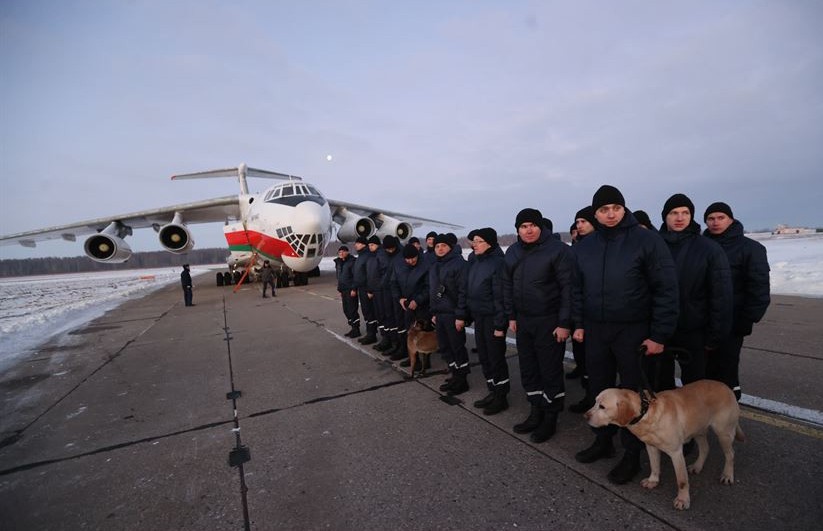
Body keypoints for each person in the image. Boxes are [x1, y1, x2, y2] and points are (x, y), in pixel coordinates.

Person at [571, 185, 679, 484]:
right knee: (600, 387)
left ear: (623, 209)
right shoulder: (585, 247)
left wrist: (658, 334)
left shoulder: (646, 241)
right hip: (596, 329)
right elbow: (576, 291)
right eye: (603, 210)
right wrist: (579, 323)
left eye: (615, 208)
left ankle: (632, 454)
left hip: (633, 330)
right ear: (595, 213)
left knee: (632, 395)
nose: (610, 214)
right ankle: (602, 441)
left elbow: (665, 289)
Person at [503, 208, 574, 443]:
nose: (528, 230)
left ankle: (550, 416)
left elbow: (568, 289)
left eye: (532, 225)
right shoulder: (512, 251)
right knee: (529, 368)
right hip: (523, 321)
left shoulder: (558, 250)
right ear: (518, 230)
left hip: (549, 321)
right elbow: (507, 287)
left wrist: (564, 323)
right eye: (523, 226)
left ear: (540, 227)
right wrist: (511, 316)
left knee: (550, 369)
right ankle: (536, 410)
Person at [656, 194, 733, 391]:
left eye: (685, 213)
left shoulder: (709, 249)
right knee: (661, 387)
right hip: (659, 330)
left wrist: (715, 335)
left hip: (694, 332)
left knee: (695, 390)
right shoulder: (653, 246)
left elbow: (721, 296)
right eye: (674, 213)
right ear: (665, 216)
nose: (679, 218)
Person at [703, 202, 771, 400]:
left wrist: (748, 318)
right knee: (705, 369)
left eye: (720, 218)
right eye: (711, 218)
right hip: (705, 318)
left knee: (727, 368)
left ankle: (729, 413)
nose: (715, 222)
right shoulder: (701, 245)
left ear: (731, 219)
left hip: (733, 320)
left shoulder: (751, 248)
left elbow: (759, 288)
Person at [466, 227, 510, 415]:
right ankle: (492, 391)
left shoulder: (498, 263)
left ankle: (501, 397)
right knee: (484, 357)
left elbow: (501, 297)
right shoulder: (477, 262)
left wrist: (500, 326)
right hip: (480, 318)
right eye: (473, 241)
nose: (474, 244)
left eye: (478, 241)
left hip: (493, 319)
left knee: (496, 358)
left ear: (490, 243)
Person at [430, 233, 470, 395]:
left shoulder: (459, 265)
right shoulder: (435, 266)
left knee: (457, 347)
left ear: (450, 248)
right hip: (439, 314)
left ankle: (462, 380)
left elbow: (463, 292)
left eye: (443, 246)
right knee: (445, 348)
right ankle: (454, 375)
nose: (440, 249)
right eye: (437, 246)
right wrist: (433, 311)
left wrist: (461, 316)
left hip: (453, 314)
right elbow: (433, 291)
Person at [567, 206, 596, 412]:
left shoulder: (600, 246)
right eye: (577, 222)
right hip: (583, 313)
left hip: (603, 316)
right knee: (588, 359)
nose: (579, 226)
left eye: (583, 222)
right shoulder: (577, 249)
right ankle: (590, 396)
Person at [391, 243, 432, 370]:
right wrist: (400, 299)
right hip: (406, 305)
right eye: (408, 259)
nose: (411, 261)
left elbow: (429, 287)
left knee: (424, 334)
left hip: (422, 306)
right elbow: (393, 283)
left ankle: (426, 360)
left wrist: (418, 300)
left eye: (413, 258)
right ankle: (413, 359)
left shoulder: (426, 265)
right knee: (411, 333)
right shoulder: (398, 266)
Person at [352, 236, 378, 345]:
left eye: (358, 243)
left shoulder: (367, 256)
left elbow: (370, 274)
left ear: (363, 244)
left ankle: (372, 334)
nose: (355, 245)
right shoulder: (361, 256)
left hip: (366, 289)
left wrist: (369, 290)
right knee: (365, 311)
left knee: (369, 311)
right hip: (361, 288)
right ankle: (369, 333)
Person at [334, 246, 360, 337]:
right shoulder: (338, 262)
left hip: (350, 290)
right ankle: (352, 327)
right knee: (346, 310)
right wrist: (340, 289)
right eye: (339, 252)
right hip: (343, 289)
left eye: (343, 251)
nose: (341, 253)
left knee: (352, 310)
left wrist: (354, 289)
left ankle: (356, 329)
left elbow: (356, 276)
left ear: (347, 252)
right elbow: (339, 278)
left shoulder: (352, 262)